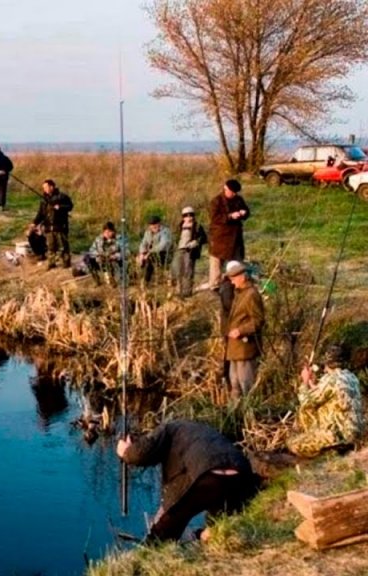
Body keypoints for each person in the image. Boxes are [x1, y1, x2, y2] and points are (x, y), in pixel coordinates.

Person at [117, 419, 258, 543]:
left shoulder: (169, 428)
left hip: (208, 475)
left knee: (160, 538)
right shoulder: (203, 432)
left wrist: (125, 452)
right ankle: (204, 536)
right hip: (241, 476)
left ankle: (146, 565)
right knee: (218, 526)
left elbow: (142, 453)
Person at [287, 345, 365, 458]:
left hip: (339, 437)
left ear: (327, 363)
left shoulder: (332, 379)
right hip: (355, 433)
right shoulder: (351, 377)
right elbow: (329, 393)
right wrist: (311, 383)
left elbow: (306, 401)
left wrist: (304, 382)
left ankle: (330, 453)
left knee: (292, 444)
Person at [224, 260, 265, 400]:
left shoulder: (252, 294)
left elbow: (258, 320)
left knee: (246, 387)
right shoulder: (240, 293)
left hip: (245, 349)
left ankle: (250, 414)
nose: (231, 282)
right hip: (235, 349)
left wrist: (241, 331)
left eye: (233, 278)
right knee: (234, 385)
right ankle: (235, 416)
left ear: (242, 277)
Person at [206, 179, 250, 289]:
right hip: (220, 237)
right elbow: (214, 218)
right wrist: (230, 216)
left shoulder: (238, 199)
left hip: (235, 237)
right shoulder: (216, 201)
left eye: (236, 192)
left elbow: (247, 211)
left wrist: (244, 213)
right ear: (226, 189)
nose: (234, 194)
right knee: (216, 262)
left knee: (236, 261)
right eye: (232, 192)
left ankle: (236, 283)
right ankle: (214, 286)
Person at [32, 179, 74, 269]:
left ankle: (66, 262)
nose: (45, 189)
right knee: (50, 246)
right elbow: (40, 213)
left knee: (63, 246)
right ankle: (51, 263)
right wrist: (34, 223)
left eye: (46, 187)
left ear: (52, 187)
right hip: (48, 227)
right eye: (43, 188)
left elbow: (70, 206)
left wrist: (60, 207)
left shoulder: (62, 197)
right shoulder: (43, 200)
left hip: (60, 226)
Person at [172, 206, 208, 298]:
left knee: (188, 271)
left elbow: (204, 238)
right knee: (177, 270)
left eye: (191, 215)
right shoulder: (179, 225)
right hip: (179, 250)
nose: (189, 217)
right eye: (186, 215)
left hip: (190, 251)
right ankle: (178, 290)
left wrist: (196, 242)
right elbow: (175, 237)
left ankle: (187, 292)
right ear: (183, 217)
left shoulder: (197, 226)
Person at [82, 221, 122, 285]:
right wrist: (97, 255)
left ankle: (115, 278)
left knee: (118, 281)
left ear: (113, 231)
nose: (107, 234)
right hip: (101, 261)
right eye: (106, 232)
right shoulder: (99, 239)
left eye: (109, 232)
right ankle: (96, 280)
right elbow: (92, 250)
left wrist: (115, 256)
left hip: (114, 262)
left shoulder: (120, 239)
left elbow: (126, 252)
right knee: (87, 257)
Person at [137, 215, 173, 285]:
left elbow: (162, 245)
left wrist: (149, 252)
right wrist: (142, 253)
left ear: (159, 223)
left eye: (155, 224)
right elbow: (143, 243)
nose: (154, 226)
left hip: (164, 254)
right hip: (151, 253)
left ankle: (146, 280)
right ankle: (141, 278)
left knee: (150, 258)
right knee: (139, 258)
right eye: (152, 224)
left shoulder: (165, 231)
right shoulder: (147, 233)